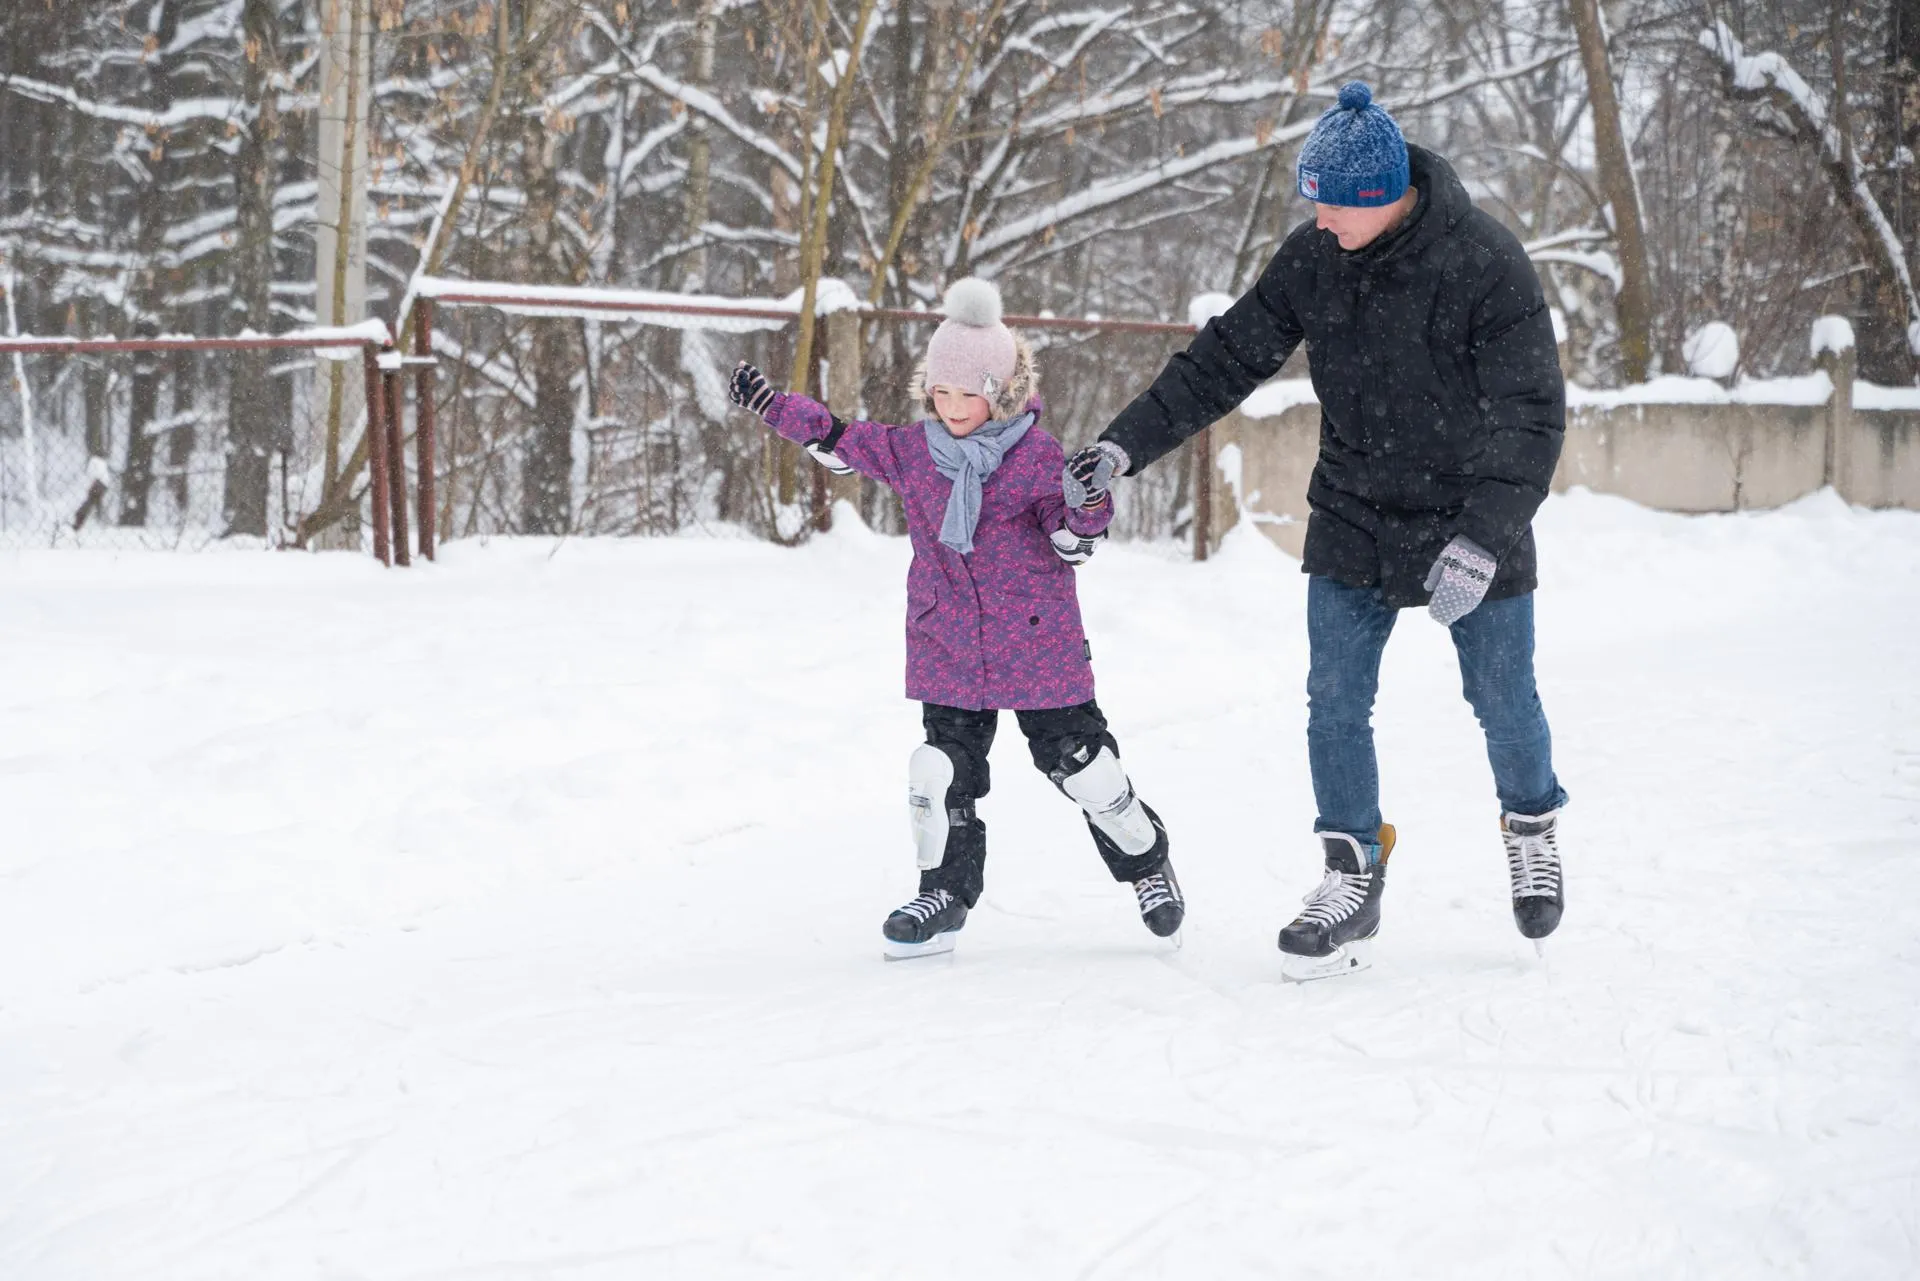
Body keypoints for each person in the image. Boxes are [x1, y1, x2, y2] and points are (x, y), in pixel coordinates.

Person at [1063, 81, 1569, 981]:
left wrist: (1484, 537)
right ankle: (1351, 872)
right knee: (1334, 701)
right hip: (1356, 512)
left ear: (1382, 197)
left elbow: (1532, 416)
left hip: (1470, 515)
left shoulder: (1488, 262)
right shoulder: (1315, 259)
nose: (1319, 217)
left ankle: (1529, 823)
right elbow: (1224, 359)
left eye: (1331, 203)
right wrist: (1122, 445)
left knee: (1502, 698)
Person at [729, 277, 1184, 960]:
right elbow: (839, 437)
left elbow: (1073, 538)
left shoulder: (1037, 457)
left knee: (1085, 768)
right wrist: (776, 409)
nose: (949, 406)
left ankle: (1147, 860)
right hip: (949, 643)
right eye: (939, 392)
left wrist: (1088, 500)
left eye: (964, 394)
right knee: (941, 772)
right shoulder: (917, 451)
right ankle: (943, 892)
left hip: (1038, 647)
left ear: (1000, 392)